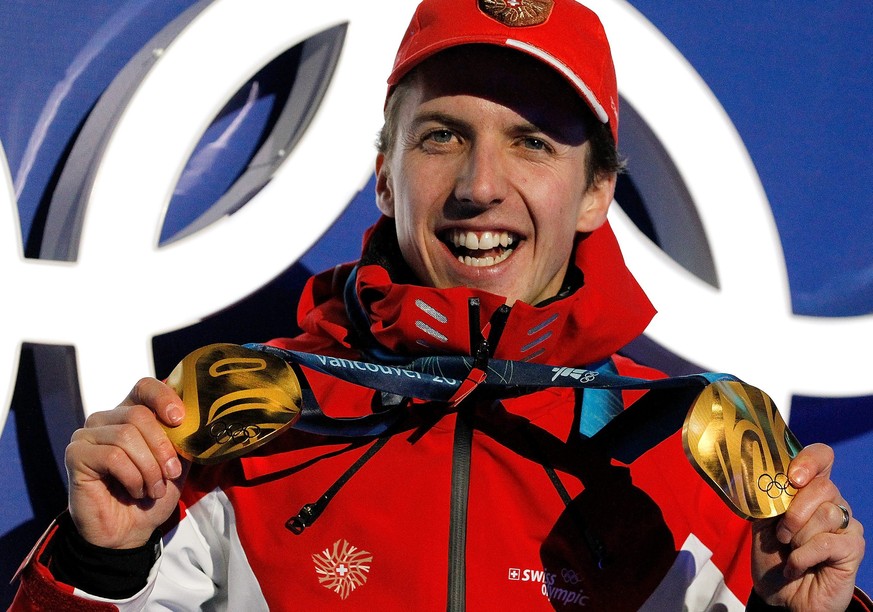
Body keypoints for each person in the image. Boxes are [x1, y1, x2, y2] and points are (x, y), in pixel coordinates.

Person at [10, 0, 867, 610]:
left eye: (531, 142)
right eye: (442, 135)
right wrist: (99, 564)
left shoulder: (697, 457)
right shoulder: (245, 423)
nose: (479, 186)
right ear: (383, 174)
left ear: (596, 193)